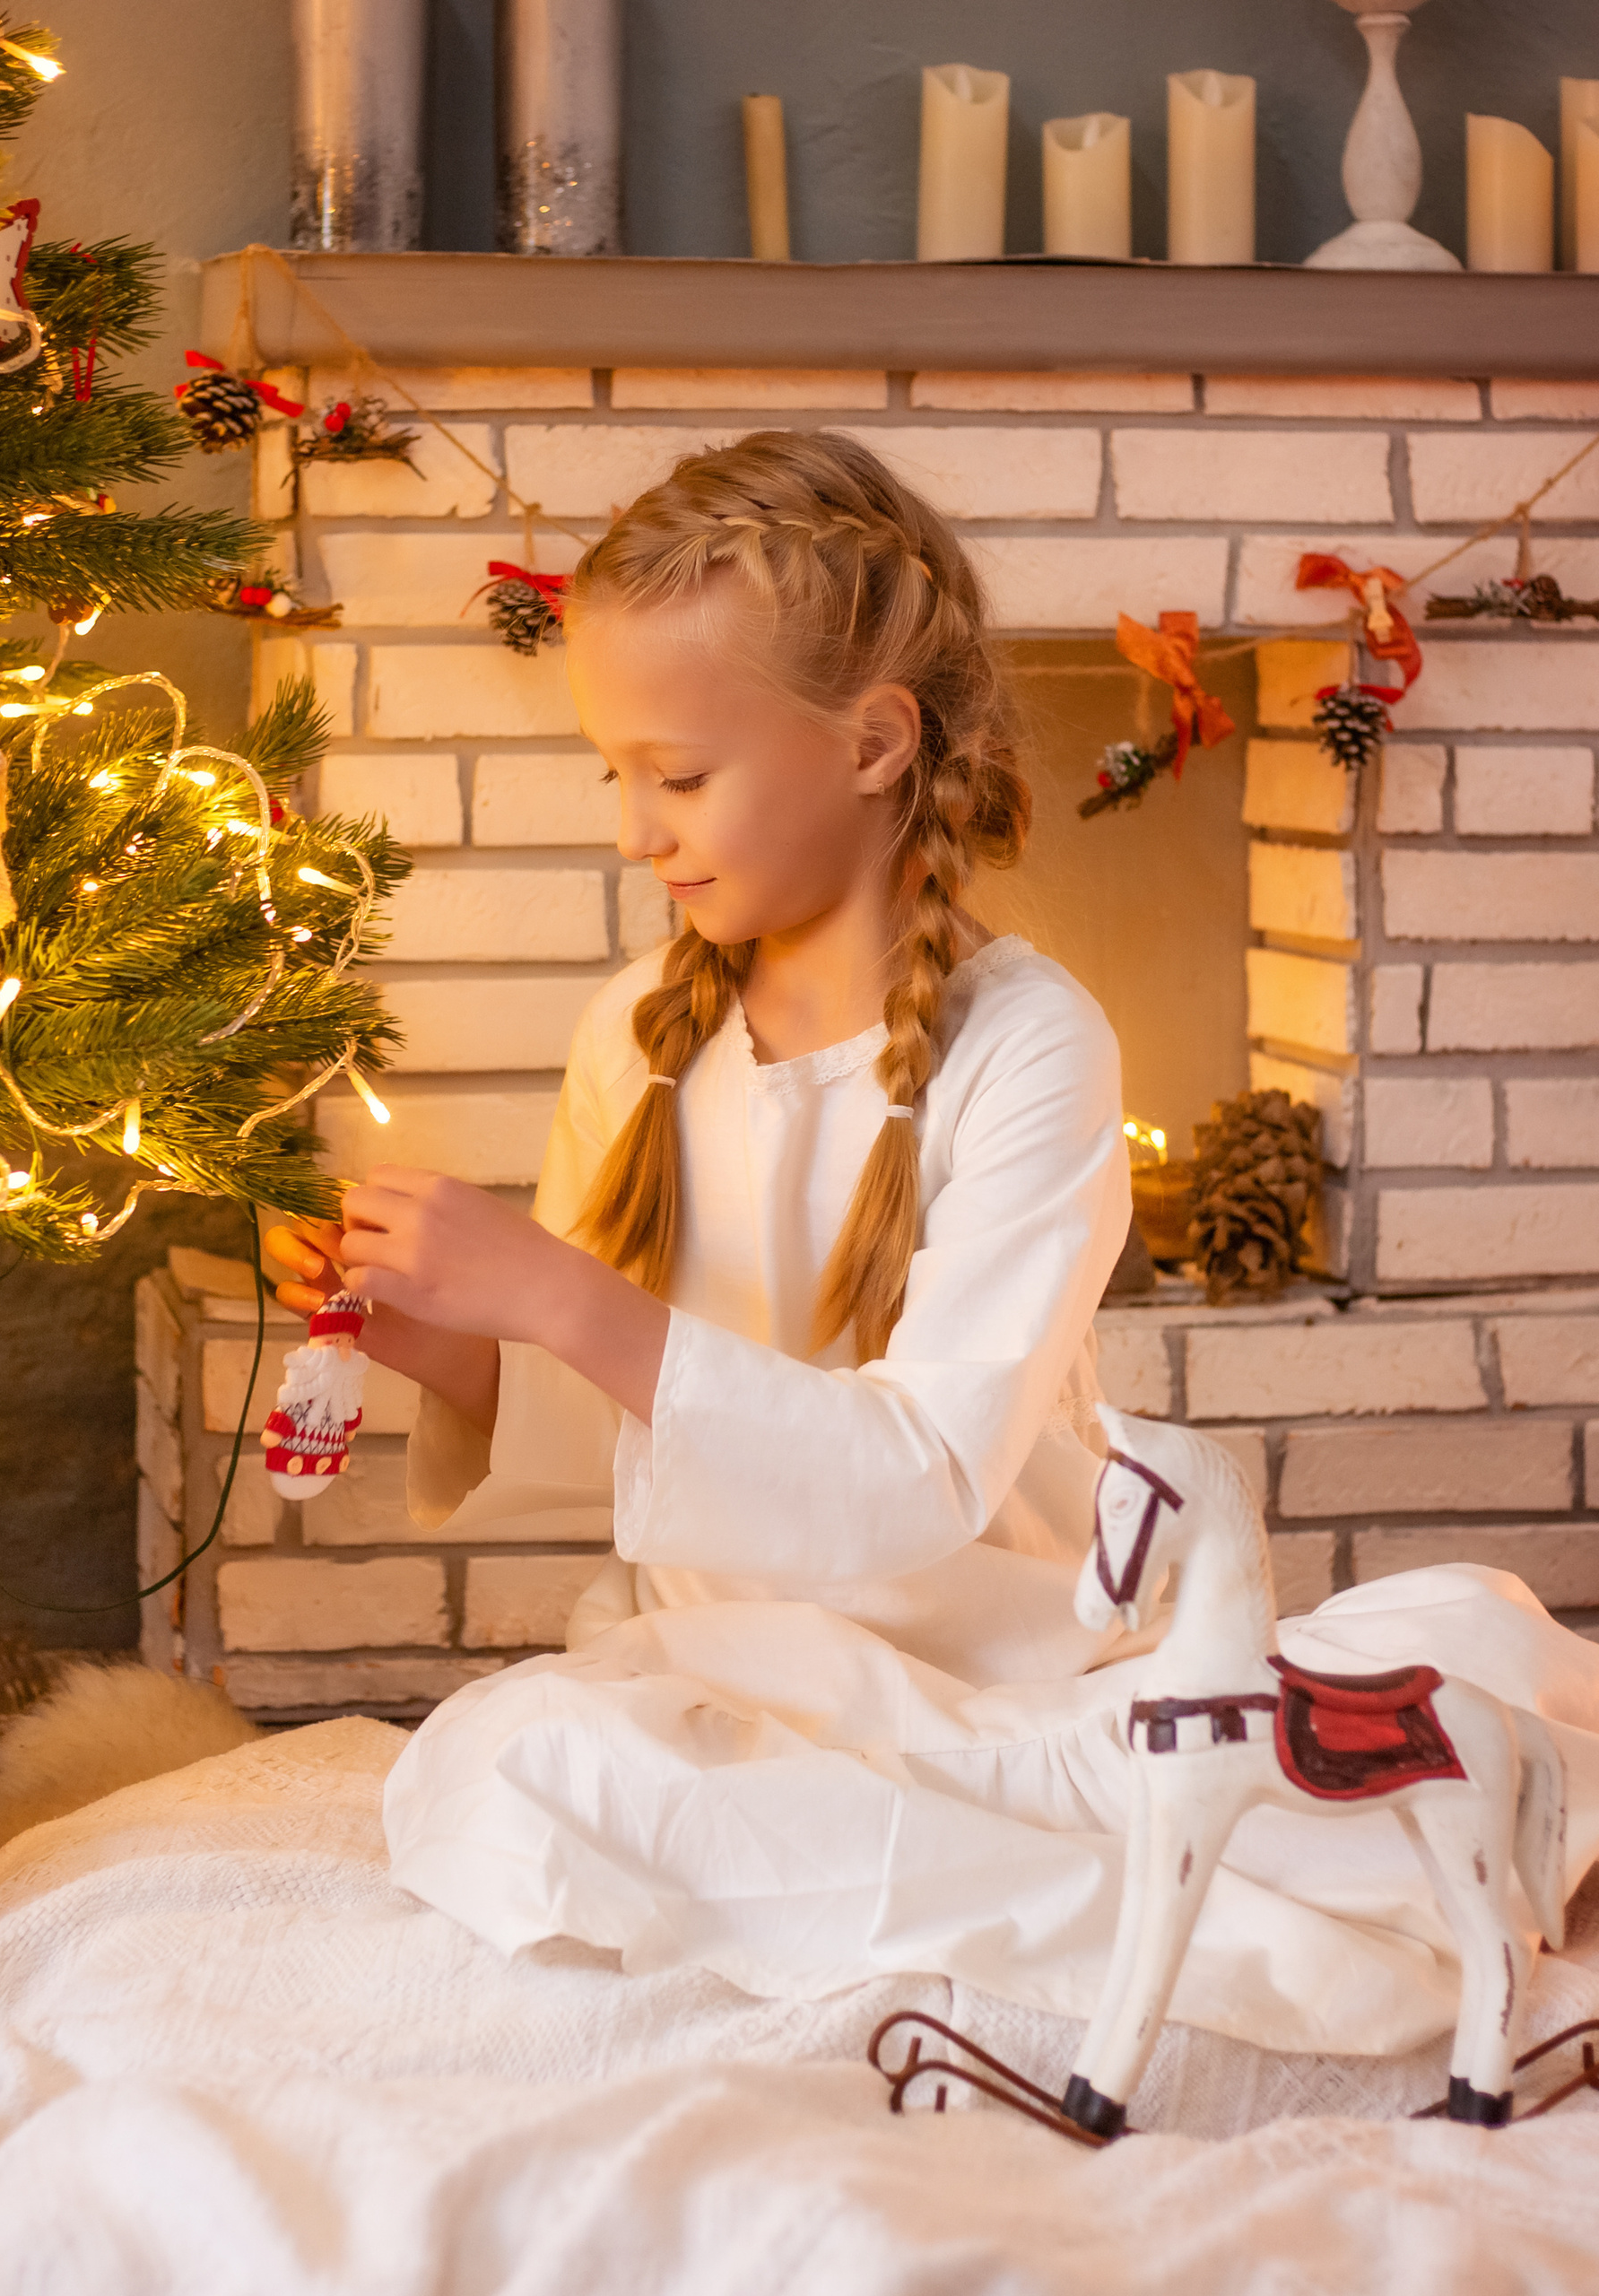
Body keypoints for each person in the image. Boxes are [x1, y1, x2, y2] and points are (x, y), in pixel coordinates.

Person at [265, 431, 1599, 2058]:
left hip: (1008, 1683)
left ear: (876, 743)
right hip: (735, 1672)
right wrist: (456, 1341)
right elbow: (628, 1419)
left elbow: (919, 1480)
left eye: (678, 777)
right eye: (616, 774)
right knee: (507, 1766)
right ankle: (1025, 1887)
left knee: (1417, 1679)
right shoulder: (639, 1030)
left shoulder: (1030, 1047)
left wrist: (552, 1289)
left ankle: (1095, 1877)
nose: (635, 831)